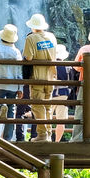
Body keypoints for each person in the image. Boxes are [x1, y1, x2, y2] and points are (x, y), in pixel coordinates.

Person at [23, 13, 57, 142]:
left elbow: (28, 57)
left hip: (37, 76)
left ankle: (42, 134)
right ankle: (48, 133)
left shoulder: (31, 38)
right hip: (51, 75)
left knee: (37, 105)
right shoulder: (51, 36)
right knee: (48, 106)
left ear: (32, 26)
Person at [52, 44, 71, 142]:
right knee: (61, 120)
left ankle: (46, 138)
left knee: (47, 118)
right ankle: (57, 141)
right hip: (64, 94)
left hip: (51, 93)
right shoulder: (68, 66)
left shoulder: (50, 65)